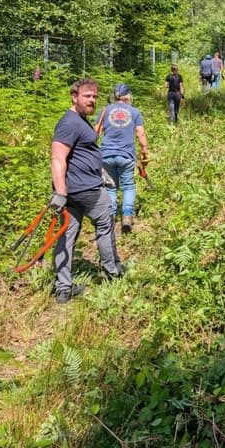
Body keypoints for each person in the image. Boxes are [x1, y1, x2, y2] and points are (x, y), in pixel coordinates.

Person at [49, 78, 125, 304]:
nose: (92, 100)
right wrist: (60, 193)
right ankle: (113, 272)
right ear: (74, 97)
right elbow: (58, 158)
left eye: (94, 96)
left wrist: (99, 170)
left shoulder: (79, 121)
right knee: (105, 225)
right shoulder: (69, 123)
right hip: (85, 189)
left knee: (66, 235)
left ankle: (63, 288)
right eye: (86, 96)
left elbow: (81, 152)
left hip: (78, 188)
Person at [97, 82, 149, 233]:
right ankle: (127, 216)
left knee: (110, 187)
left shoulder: (105, 110)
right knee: (128, 186)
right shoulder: (134, 112)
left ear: (114, 96)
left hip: (106, 155)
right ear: (128, 96)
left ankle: (111, 217)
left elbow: (97, 132)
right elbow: (140, 133)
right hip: (126, 155)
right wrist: (144, 149)